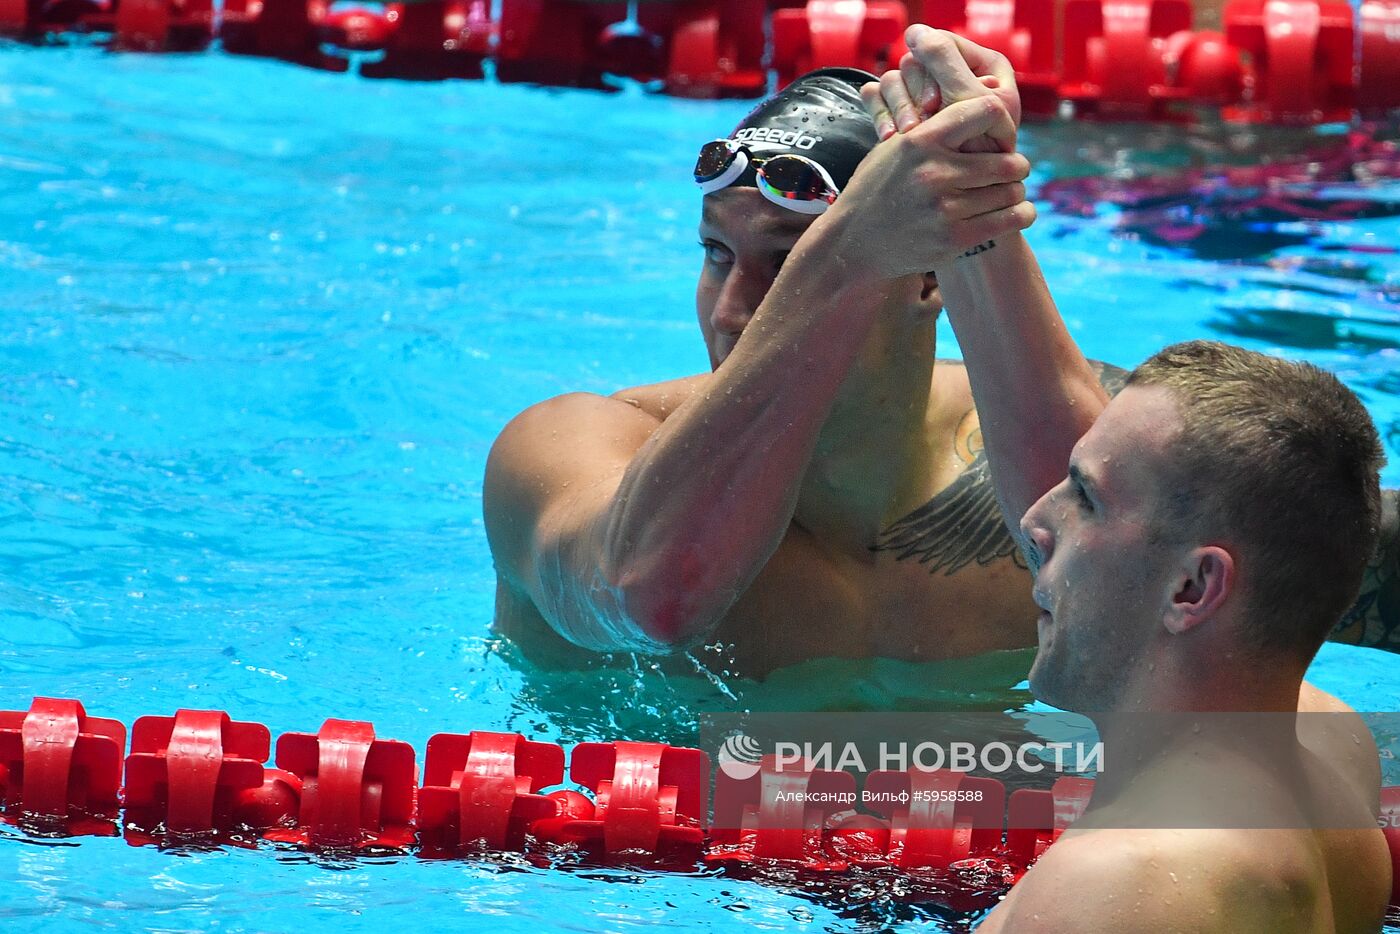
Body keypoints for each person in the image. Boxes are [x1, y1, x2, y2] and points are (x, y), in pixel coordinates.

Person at [482, 57, 1400, 680]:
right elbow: (655, 596)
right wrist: (843, 257)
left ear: (930, 275)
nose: (730, 312)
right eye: (718, 255)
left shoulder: (1095, 462)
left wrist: (978, 197)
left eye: (790, 259)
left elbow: (1133, 556)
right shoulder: (570, 448)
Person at [864, 26, 1392, 932]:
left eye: (1085, 496)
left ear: (1193, 587)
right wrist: (971, 211)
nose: (1033, 517)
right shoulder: (1318, 744)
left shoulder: (1127, 883)